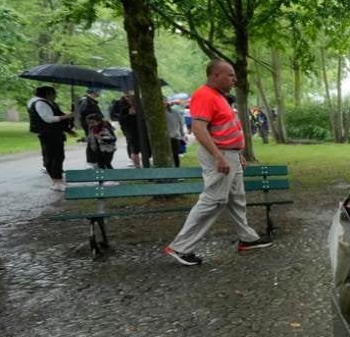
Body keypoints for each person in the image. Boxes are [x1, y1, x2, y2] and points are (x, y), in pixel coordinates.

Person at [164, 60, 273, 266]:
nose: (234, 79)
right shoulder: (204, 95)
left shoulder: (219, 97)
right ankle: (181, 247)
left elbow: (223, 127)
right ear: (215, 76)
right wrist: (219, 156)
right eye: (230, 75)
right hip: (219, 155)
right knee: (214, 200)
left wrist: (235, 153)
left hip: (229, 154)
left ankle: (247, 239)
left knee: (236, 198)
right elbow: (199, 129)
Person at [26, 86, 75, 190]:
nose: (55, 96)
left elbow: (55, 116)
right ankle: (57, 181)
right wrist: (67, 116)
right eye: (54, 93)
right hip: (49, 134)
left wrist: (68, 129)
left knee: (55, 156)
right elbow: (48, 119)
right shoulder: (41, 103)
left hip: (52, 133)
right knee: (55, 157)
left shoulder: (45, 103)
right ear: (48, 94)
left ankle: (57, 181)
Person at [110, 91, 142, 168]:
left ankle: (143, 160)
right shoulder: (118, 102)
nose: (129, 97)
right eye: (127, 96)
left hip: (140, 125)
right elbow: (113, 116)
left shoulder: (138, 100)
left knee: (141, 143)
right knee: (132, 143)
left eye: (130, 95)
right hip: (128, 126)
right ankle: (135, 162)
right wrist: (128, 114)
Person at [77, 86, 104, 168]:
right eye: (99, 91)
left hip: (93, 125)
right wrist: (95, 119)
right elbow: (83, 113)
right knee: (92, 142)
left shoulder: (90, 101)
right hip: (91, 125)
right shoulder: (85, 101)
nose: (100, 92)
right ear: (94, 91)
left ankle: (94, 161)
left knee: (94, 142)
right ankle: (91, 162)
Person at [165, 99, 185, 167]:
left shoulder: (174, 111)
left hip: (174, 137)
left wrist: (182, 134)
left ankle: (176, 172)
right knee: (171, 156)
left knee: (175, 156)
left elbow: (180, 123)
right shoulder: (158, 113)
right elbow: (181, 123)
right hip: (168, 137)